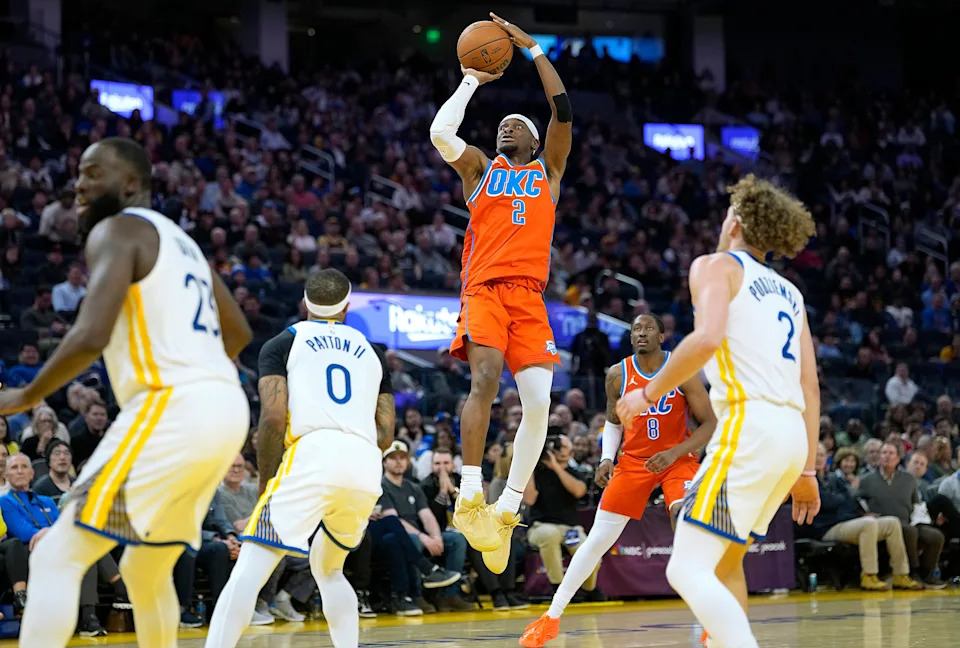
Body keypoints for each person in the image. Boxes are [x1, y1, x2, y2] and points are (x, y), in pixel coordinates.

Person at [0, 137, 253, 648]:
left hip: (173, 404)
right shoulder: (182, 241)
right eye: (78, 172)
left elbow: (90, 334)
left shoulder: (117, 229)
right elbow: (240, 332)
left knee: (53, 554)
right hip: (225, 409)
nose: (80, 184)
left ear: (131, 183)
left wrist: (27, 396)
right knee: (145, 568)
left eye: (94, 172)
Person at [615, 175, 820, 648]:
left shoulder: (716, 265)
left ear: (737, 220)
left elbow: (706, 339)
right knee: (725, 562)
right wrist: (807, 467)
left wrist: (647, 394)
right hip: (789, 435)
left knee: (685, 568)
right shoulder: (790, 292)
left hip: (750, 427)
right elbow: (809, 384)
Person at [429, 13, 573, 574]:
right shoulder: (480, 172)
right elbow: (442, 134)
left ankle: (507, 508)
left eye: (518, 125)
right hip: (485, 290)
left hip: (529, 297)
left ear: (536, 141)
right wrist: (470, 81)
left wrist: (535, 50)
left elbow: (562, 109)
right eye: (502, 125)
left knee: (539, 402)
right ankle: (469, 494)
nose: (507, 127)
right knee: (485, 377)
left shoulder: (550, 172)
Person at [206, 269, 396, 648]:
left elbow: (274, 418)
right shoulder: (373, 353)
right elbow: (386, 433)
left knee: (250, 568)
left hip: (312, 452)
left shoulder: (283, 343)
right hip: (364, 461)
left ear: (305, 304)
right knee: (329, 569)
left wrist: (266, 484)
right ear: (346, 307)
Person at [521, 313, 718, 646]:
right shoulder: (617, 374)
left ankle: (710, 620)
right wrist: (606, 458)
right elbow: (613, 422)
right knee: (597, 538)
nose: (641, 334)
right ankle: (551, 617)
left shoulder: (682, 370)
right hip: (635, 461)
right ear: (630, 338)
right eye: (636, 330)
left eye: (648, 328)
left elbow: (710, 424)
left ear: (662, 335)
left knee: (686, 524)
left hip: (678, 459)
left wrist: (673, 453)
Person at [806, 443, 922, 591]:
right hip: (825, 528)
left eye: (821, 455)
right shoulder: (808, 481)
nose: (818, 458)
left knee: (892, 523)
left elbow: (850, 499)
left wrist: (845, 503)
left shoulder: (833, 479)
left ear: (827, 458)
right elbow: (826, 502)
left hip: (846, 523)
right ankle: (869, 575)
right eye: (815, 455)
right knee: (868, 524)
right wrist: (841, 498)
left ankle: (901, 574)